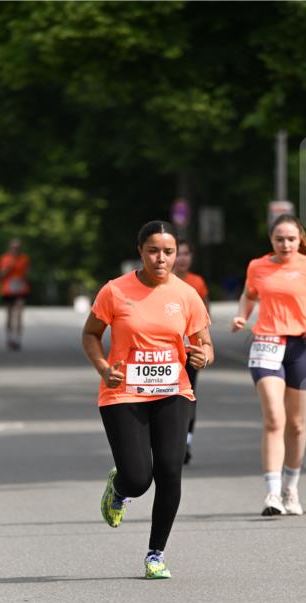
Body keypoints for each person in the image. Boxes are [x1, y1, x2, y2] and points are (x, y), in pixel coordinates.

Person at [82, 220, 213, 579]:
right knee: (139, 478)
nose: (161, 258)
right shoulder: (114, 291)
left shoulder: (186, 295)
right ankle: (120, 488)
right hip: (123, 392)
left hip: (173, 391)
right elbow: (91, 334)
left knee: (170, 470)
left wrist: (203, 355)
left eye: (168, 252)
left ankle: (156, 554)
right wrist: (102, 366)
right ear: (140, 251)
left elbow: (205, 344)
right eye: (153, 250)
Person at [232, 214, 306, 516]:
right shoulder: (257, 266)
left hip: (302, 347)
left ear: (299, 240)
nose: (285, 244)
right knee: (274, 418)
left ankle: (290, 488)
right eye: (279, 239)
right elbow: (248, 296)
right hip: (266, 344)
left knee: (296, 425)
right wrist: (242, 316)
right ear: (271, 240)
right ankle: (272, 493)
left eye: (291, 239)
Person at [173, 239, 209, 464]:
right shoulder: (162, 282)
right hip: (166, 352)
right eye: (179, 254)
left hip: (190, 349)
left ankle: (185, 440)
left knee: (188, 396)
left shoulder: (197, 282)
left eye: (187, 254)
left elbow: (204, 314)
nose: (183, 258)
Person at [0, 238, 30, 349]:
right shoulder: (4, 258)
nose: (15, 249)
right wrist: (10, 265)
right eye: (13, 247)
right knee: (9, 314)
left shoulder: (24, 259)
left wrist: (23, 280)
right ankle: (9, 337)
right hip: (8, 290)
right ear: (9, 247)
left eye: (17, 247)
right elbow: (1, 274)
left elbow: (26, 273)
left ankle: (18, 339)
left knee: (19, 313)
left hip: (20, 289)